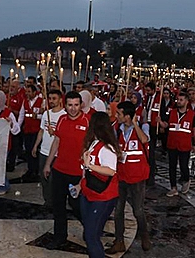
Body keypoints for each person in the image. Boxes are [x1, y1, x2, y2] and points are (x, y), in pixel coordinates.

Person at [43, 91, 90, 250]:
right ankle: (59, 237)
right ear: (65, 104)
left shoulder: (87, 121)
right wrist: (48, 164)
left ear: (81, 104)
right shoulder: (62, 119)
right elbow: (56, 141)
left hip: (77, 173)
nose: (73, 108)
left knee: (77, 206)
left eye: (76, 105)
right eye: (70, 105)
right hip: (59, 170)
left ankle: (90, 228)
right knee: (58, 206)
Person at [105, 101, 151, 254]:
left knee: (138, 210)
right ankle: (119, 241)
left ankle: (144, 235)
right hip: (121, 174)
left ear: (127, 116)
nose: (116, 116)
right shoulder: (116, 128)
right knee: (118, 210)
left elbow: (144, 140)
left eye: (119, 113)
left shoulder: (142, 127)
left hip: (137, 176)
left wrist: (135, 124)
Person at [74, 112, 121, 258]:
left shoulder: (107, 148)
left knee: (91, 236)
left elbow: (111, 170)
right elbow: (86, 169)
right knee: (91, 231)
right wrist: (80, 185)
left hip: (103, 196)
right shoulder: (93, 143)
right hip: (89, 192)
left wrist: (90, 165)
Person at [32, 89, 65, 208]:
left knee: (53, 180)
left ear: (60, 100)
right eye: (50, 99)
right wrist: (36, 145)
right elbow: (41, 130)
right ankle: (47, 200)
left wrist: (55, 132)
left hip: (56, 153)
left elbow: (64, 136)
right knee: (43, 178)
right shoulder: (46, 114)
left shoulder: (64, 115)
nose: (51, 101)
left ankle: (54, 201)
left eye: (54, 99)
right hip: (44, 150)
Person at [166, 91, 195, 196]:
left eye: (181, 100)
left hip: (184, 145)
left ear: (186, 101)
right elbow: (167, 124)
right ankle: (173, 187)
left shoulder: (192, 115)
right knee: (172, 166)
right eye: (178, 100)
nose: (179, 102)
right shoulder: (172, 112)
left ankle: (186, 179)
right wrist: (161, 123)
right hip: (172, 143)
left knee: (183, 166)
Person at [21, 84, 43, 182]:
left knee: (34, 151)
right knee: (28, 150)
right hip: (27, 130)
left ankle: (35, 170)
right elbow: (22, 114)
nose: (27, 94)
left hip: (36, 130)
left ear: (34, 92)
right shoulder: (25, 101)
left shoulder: (41, 101)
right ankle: (30, 169)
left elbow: (45, 116)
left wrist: (37, 117)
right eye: (26, 91)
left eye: (29, 92)